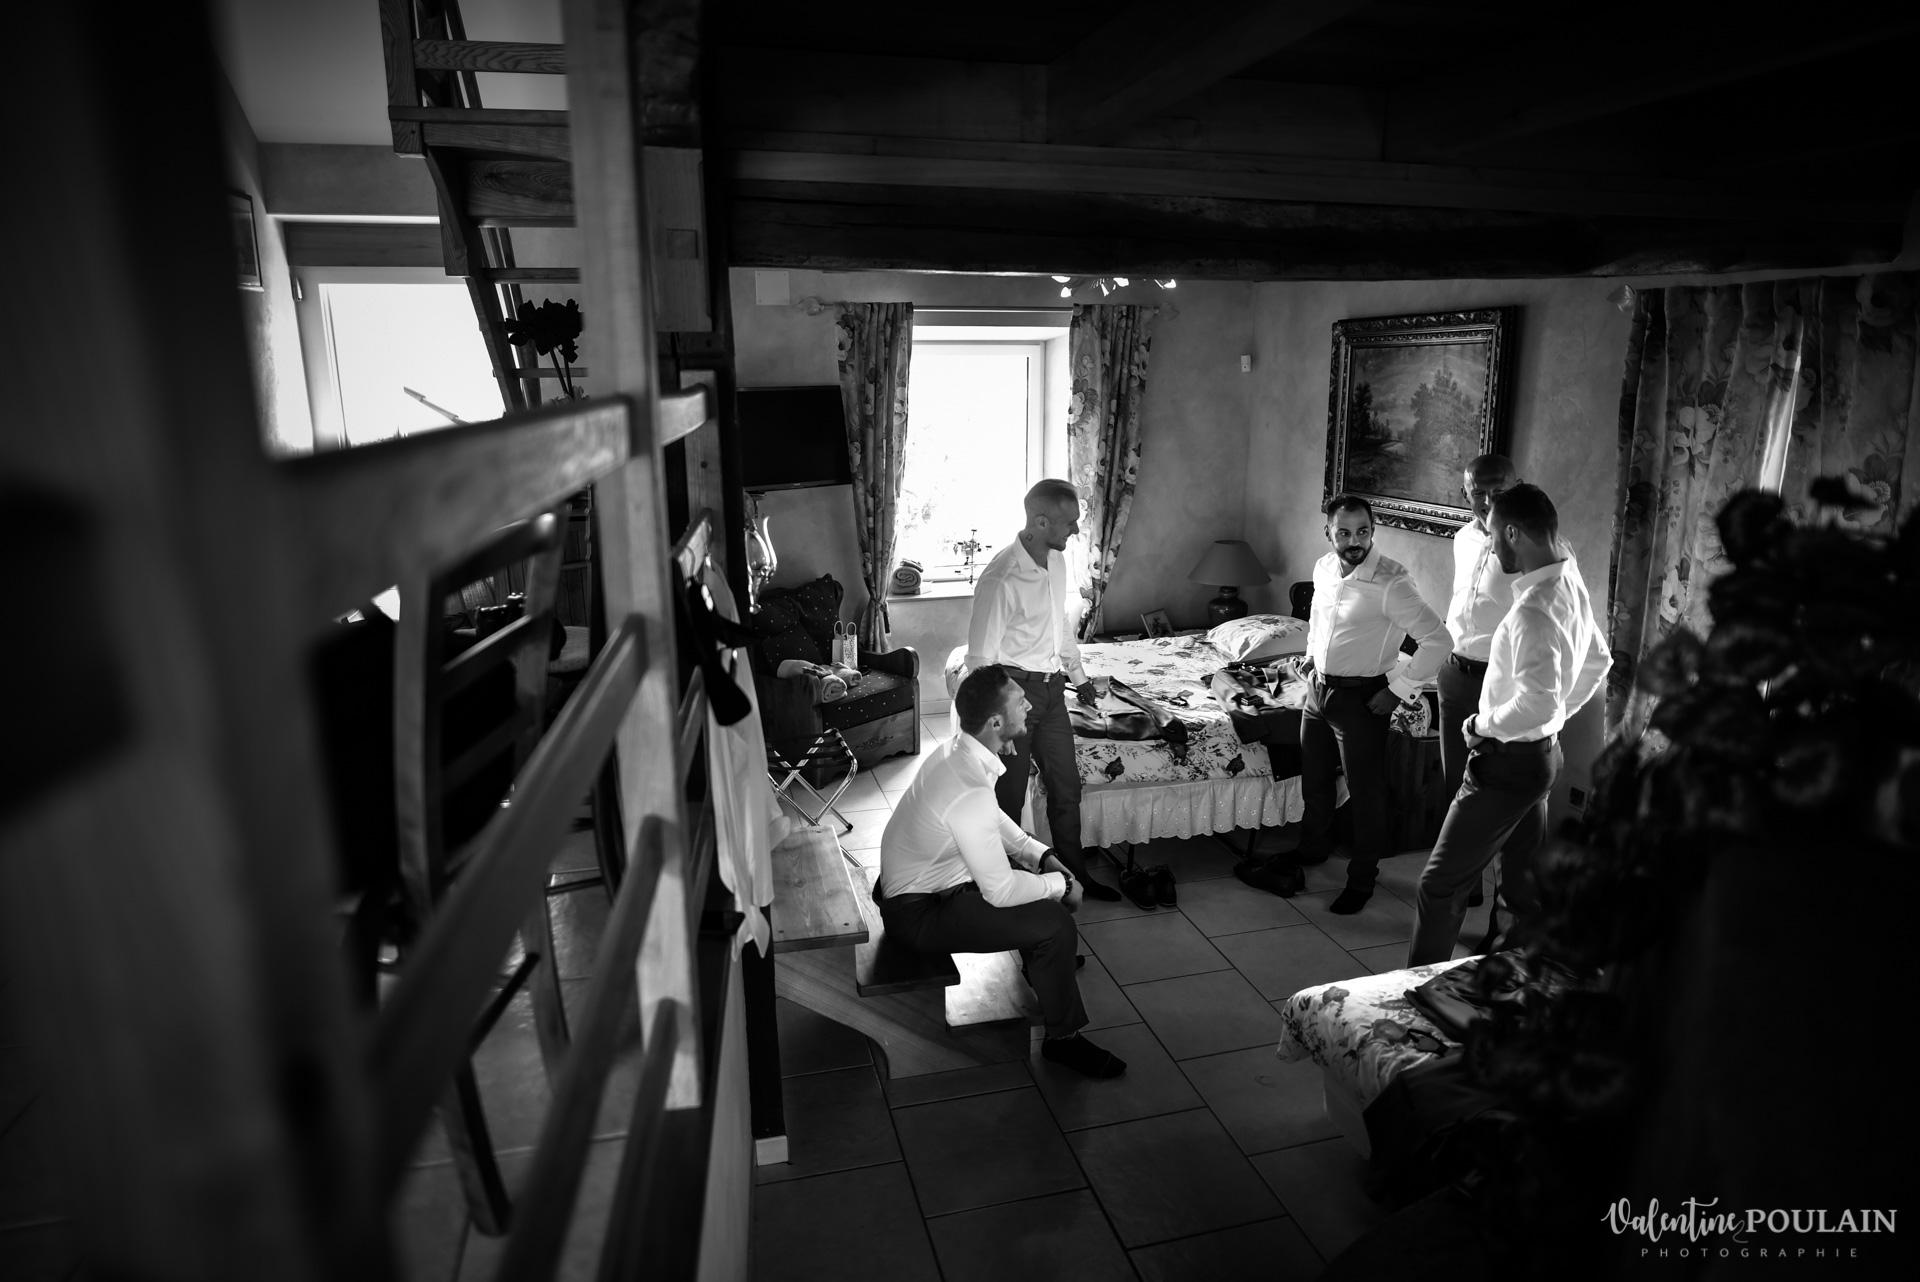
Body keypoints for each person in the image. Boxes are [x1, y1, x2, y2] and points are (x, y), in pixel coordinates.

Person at [876, 665, 1126, 1078]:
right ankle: (1063, 1040)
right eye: (1018, 701)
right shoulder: (969, 786)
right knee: (1055, 922)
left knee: (1025, 878)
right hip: (917, 913)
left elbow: (995, 820)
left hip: (924, 889)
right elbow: (1001, 892)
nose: (1029, 703)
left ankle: (1046, 965)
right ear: (995, 722)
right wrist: (1061, 884)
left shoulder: (958, 751)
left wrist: (1041, 855)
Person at [1406, 484, 1610, 965]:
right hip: (1541, 758)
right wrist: (1554, 716)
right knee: (1519, 886)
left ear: (1514, 533)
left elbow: (1536, 703)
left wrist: (1483, 724)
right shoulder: (1570, 583)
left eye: (1494, 534)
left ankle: (1411, 995)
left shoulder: (1533, 610)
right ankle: (1513, 979)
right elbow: (1598, 661)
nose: (1491, 545)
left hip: (1507, 764)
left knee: (1439, 886)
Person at [1242, 494, 1451, 914]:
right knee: (1315, 778)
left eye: (1363, 532)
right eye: (1344, 532)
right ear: (1329, 533)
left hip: (1363, 700)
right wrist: (1313, 657)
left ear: (1373, 531)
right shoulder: (1323, 568)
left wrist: (1398, 690)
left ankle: (1362, 879)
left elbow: (1439, 641)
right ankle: (1313, 847)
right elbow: (1321, 619)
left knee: (1365, 792)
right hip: (1318, 693)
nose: (1354, 541)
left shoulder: (1393, 582)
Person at [963, 479, 1121, 900]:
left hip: (1052, 695)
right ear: (1040, 521)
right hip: (1015, 696)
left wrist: (1081, 678)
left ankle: (1075, 876)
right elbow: (980, 661)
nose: (1075, 531)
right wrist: (1000, 722)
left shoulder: (1056, 561)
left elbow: (1060, 628)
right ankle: (1008, 886)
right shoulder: (1001, 578)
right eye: (1069, 523)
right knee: (1008, 800)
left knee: (1067, 790)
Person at [1442, 454, 1521, 909]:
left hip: (1502, 686)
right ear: (1464, 493)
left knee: (1503, 799)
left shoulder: (1534, 546)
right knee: (1459, 788)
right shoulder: (1462, 537)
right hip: (1456, 674)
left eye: (1499, 489)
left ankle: (1506, 914)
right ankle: (1464, 887)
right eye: (1478, 491)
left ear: (1518, 485)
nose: (1488, 500)